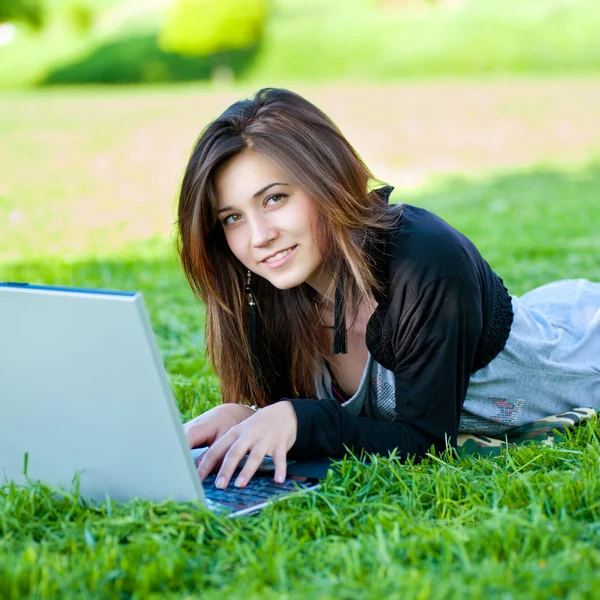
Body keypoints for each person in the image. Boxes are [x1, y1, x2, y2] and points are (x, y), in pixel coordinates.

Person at [177, 88, 600, 491]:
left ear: (328, 180)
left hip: (582, 354)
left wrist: (305, 423)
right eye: (232, 217)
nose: (259, 236)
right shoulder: (273, 285)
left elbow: (427, 446)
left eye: (274, 199)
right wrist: (248, 416)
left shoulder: (426, 265)